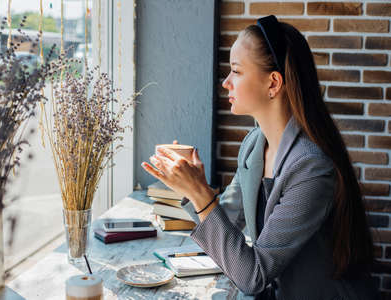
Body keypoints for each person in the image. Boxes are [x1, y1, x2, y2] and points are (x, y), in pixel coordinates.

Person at [141, 15, 379, 299]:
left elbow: (253, 276)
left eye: (237, 72)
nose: (226, 82)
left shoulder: (312, 167)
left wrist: (200, 193)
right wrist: (192, 189)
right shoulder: (255, 145)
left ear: (273, 83)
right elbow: (229, 218)